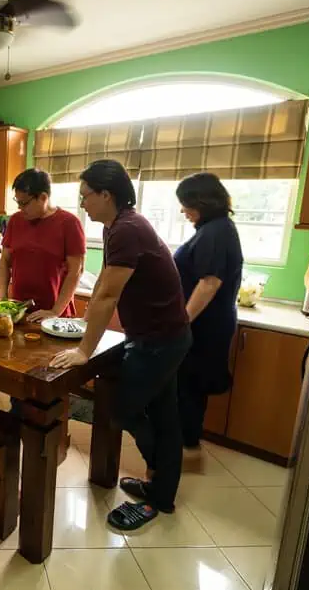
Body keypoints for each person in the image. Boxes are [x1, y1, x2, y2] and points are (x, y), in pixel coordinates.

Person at [50, 159, 191, 531]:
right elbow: (103, 285)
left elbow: (110, 295)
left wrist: (83, 351)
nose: (82, 204)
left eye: (86, 196)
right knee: (164, 416)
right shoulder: (119, 227)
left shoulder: (127, 229)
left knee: (125, 409)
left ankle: (158, 476)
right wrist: (82, 319)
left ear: (106, 194)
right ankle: (160, 492)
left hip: (160, 341)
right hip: (161, 336)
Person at [172, 173, 243, 458]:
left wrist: (182, 321)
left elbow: (209, 282)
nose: (182, 210)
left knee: (190, 388)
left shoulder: (215, 232)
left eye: (186, 203)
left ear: (203, 201)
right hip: (209, 323)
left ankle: (182, 452)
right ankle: (185, 448)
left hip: (203, 327)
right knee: (191, 389)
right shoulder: (216, 228)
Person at [0, 168, 85, 322]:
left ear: (43, 197)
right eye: (17, 202)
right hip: (19, 312)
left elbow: (76, 271)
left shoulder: (69, 223)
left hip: (54, 316)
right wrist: (2, 298)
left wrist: (55, 312)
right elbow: (5, 260)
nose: (20, 208)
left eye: (24, 203)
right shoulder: (15, 221)